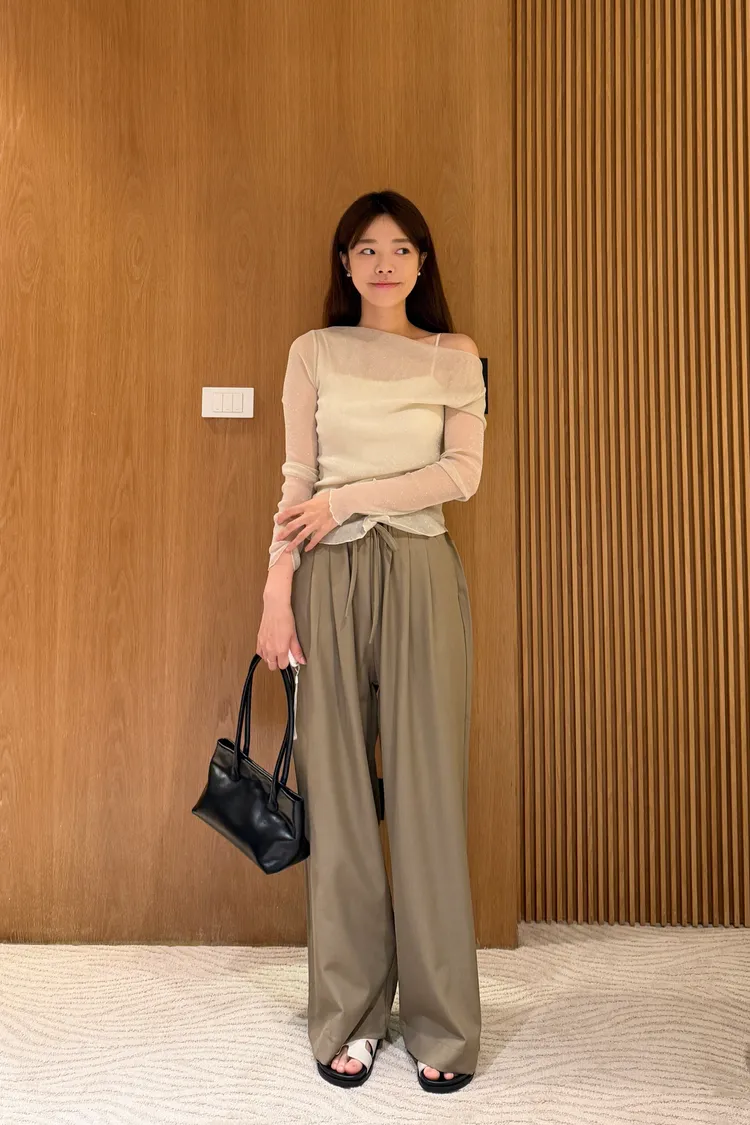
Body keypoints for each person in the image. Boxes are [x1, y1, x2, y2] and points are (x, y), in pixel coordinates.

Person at [256, 189, 485, 1094]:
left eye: (400, 248)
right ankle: (348, 1013)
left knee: (429, 797)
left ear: (422, 262)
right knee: (341, 799)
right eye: (366, 248)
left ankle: (442, 1023)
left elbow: (460, 474)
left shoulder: (452, 354)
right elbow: (296, 477)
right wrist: (275, 592)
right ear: (344, 263)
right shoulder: (312, 352)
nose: (384, 263)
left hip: (421, 570)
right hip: (324, 577)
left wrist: (348, 499)